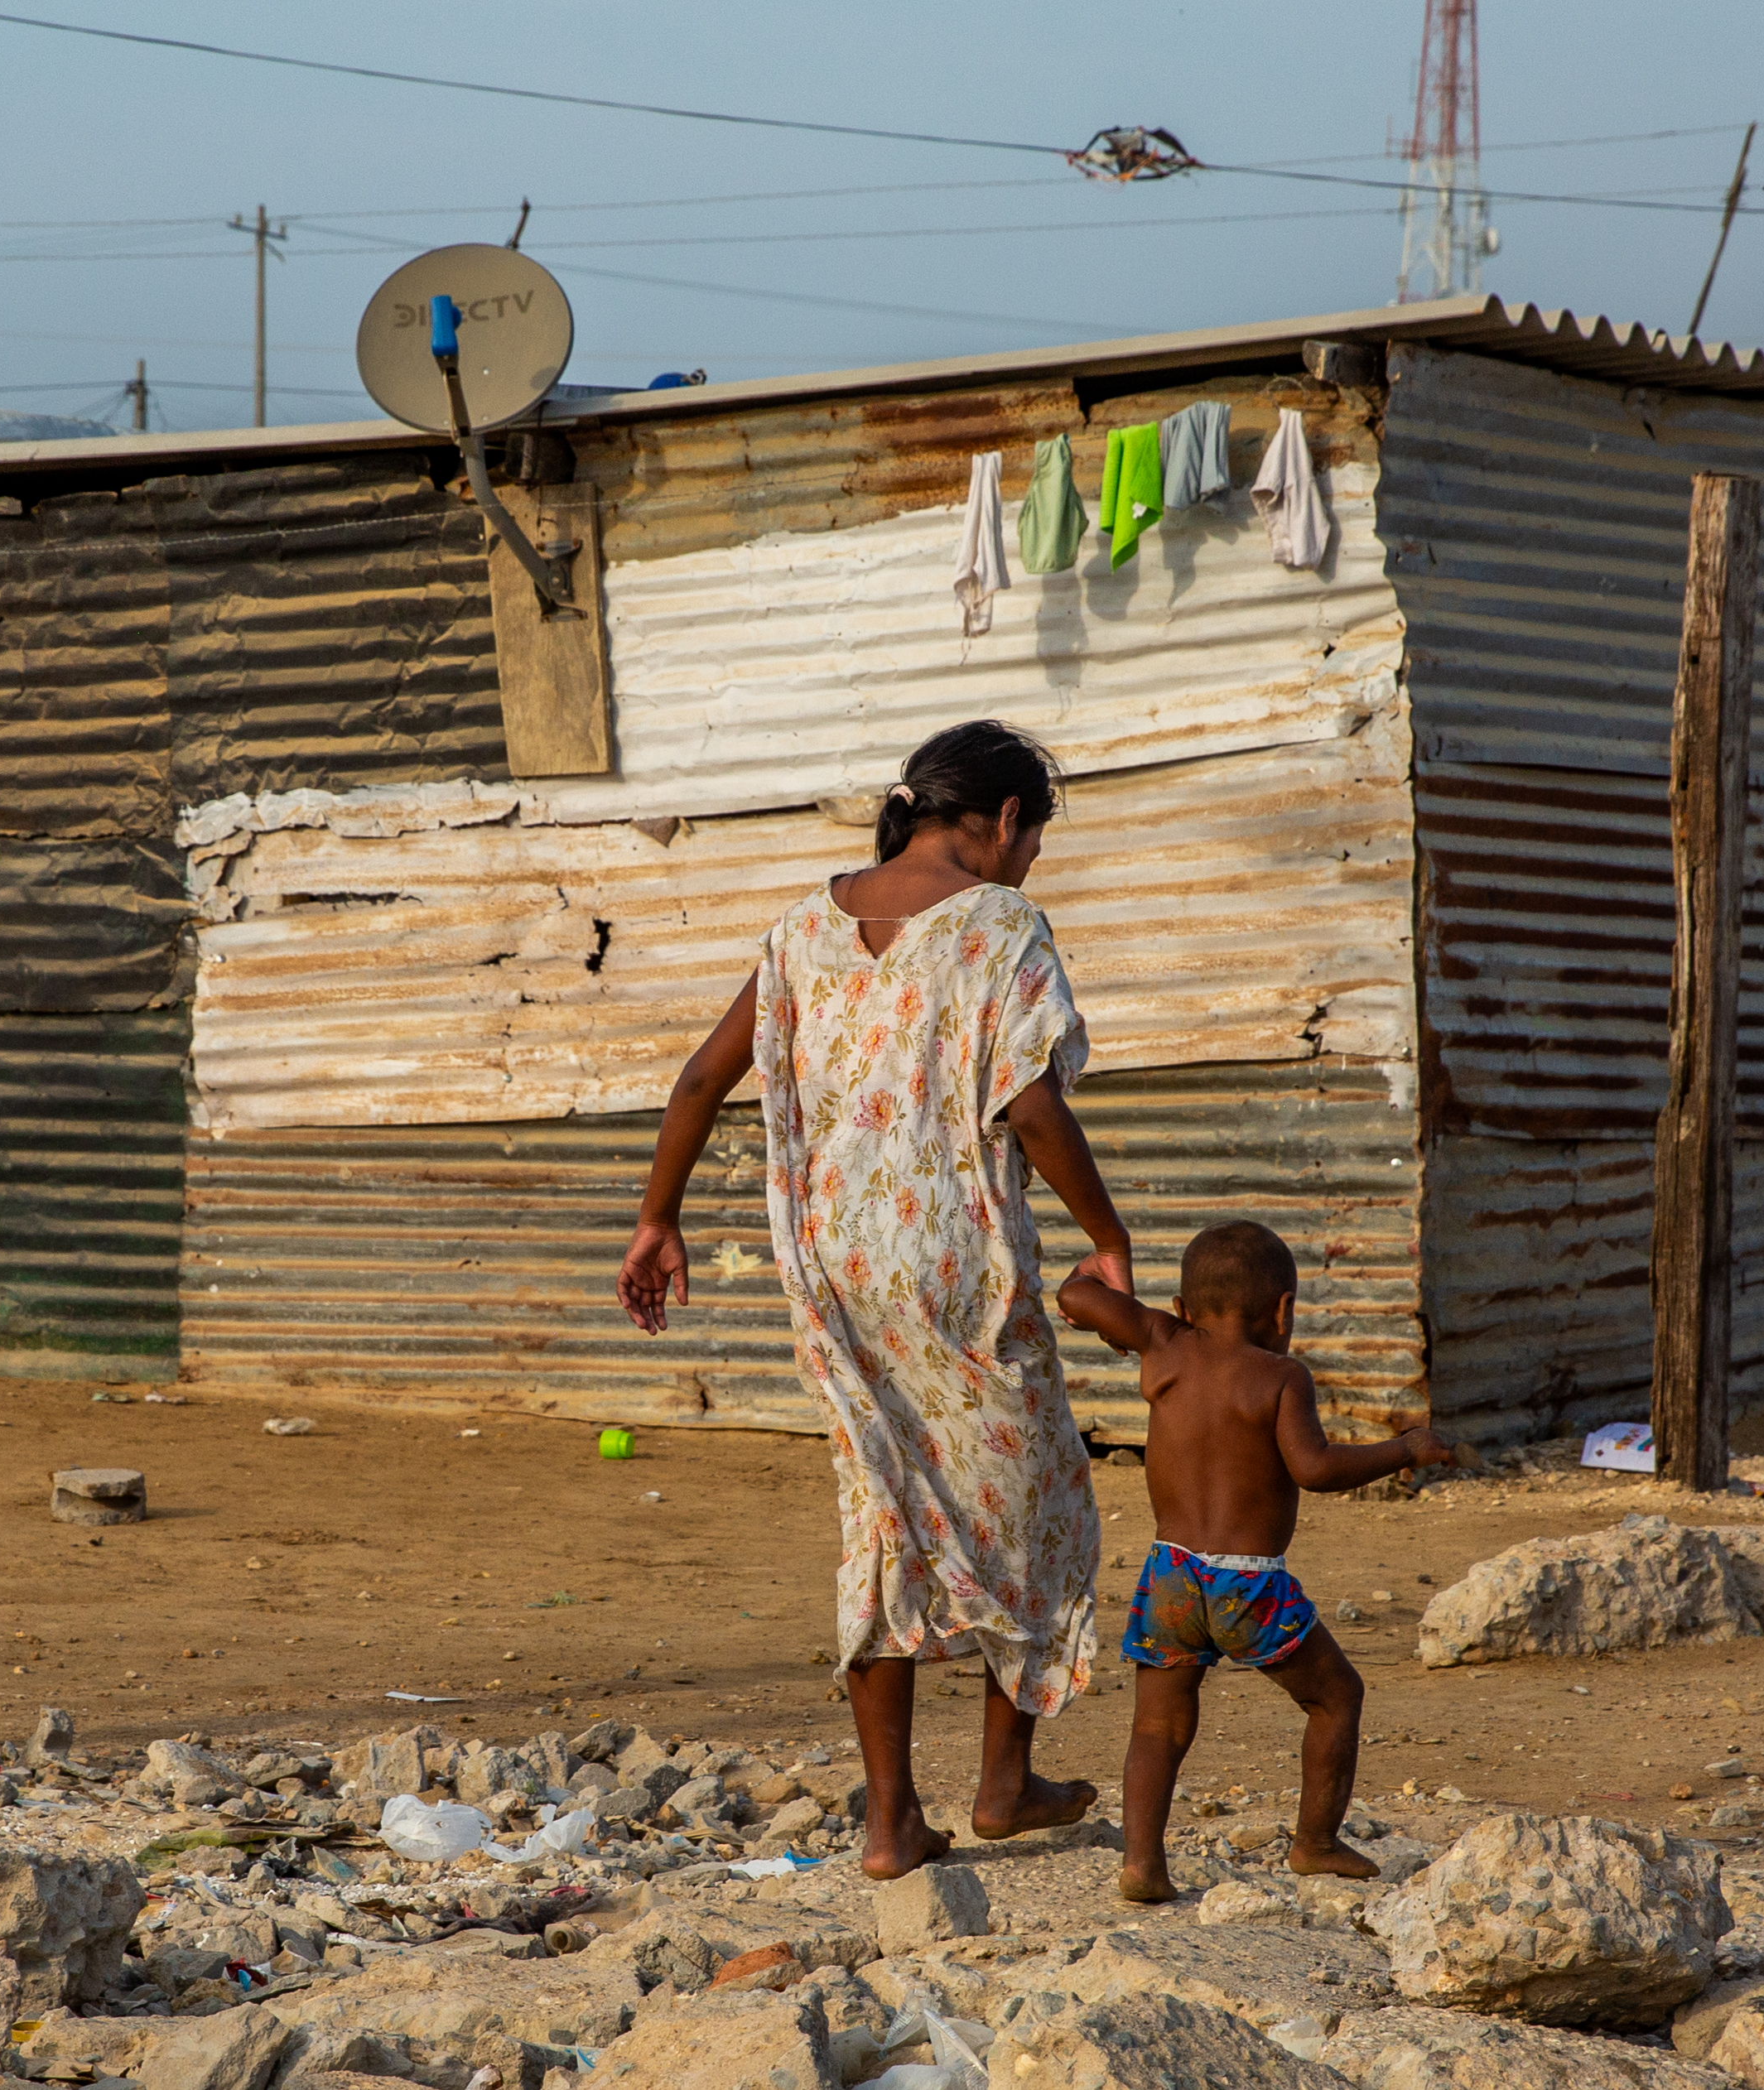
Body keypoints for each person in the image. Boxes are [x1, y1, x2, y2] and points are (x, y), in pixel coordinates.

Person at [615, 720, 1130, 1878]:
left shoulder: (804, 925)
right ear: (1001, 822)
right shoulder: (1002, 928)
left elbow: (702, 1074)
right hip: (956, 1269)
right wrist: (1110, 1235)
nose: (1030, 862)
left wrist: (658, 1218)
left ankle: (891, 1817)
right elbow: (1033, 1110)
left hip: (835, 1270)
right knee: (1038, 1493)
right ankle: (1002, 1780)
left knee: (885, 1512)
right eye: (1033, 839)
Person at [1053, 1220, 1455, 1905]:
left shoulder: (1162, 1341)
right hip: (1248, 1583)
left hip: (1170, 1573)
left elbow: (1073, 1297)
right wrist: (1405, 1449)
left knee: (1158, 1724)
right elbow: (1316, 1468)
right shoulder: (1280, 1377)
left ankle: (1143, 1864)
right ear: (1285, 1310)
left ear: (1183, 1308)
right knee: (1336, 1697)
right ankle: (1316, 1842)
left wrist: (1100, 1273)